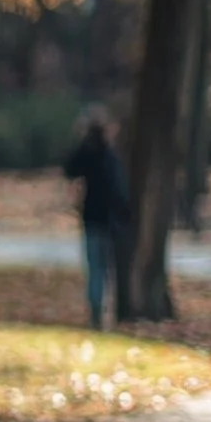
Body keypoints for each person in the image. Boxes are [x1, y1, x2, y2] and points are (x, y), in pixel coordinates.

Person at [61, 109, 131, 330]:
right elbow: (120, 191)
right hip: (110, 222)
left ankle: (96, 312)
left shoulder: (87, 155)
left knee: (95, 269)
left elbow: (69, 168)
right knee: (108, 269)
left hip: (92, 219)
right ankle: (108, 310)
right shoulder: (110, 157)